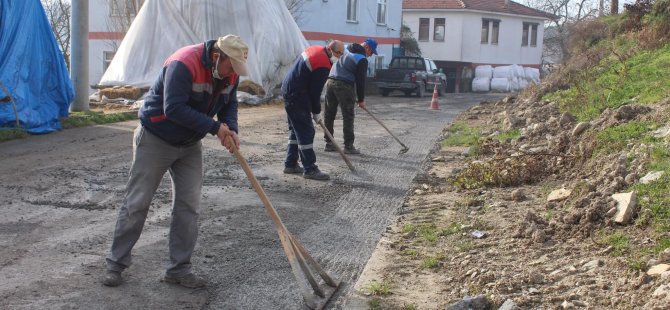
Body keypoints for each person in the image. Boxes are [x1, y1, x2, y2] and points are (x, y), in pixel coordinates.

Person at [102, 35, 249, 288]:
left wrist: (231, 128)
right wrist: (215, 128)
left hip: (189, 145)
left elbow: (229, 104)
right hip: (156, 138)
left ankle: (179, 270)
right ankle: (116, 263)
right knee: (137, 202)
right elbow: (174, 108)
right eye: (230, 67)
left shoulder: (229, 73)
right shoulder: (183, 63)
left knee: (188, 206)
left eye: (236, 70)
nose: (232, 75)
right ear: (217, 57)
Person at [281, 40, 345, 181]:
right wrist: (316, 112)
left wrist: (313, 109)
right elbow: (315, 92)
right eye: (337, 53)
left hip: (289, 90)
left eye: (341, 54)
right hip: (297, 95)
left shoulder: (316, 49)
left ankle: (290, 164)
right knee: (306, 131)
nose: (339, 57)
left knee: (295, 130)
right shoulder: (322, 64)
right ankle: (310, 168)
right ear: (329, 49)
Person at [323, 38, 377, 155]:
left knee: (329, 114)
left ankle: (329, 143)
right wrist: (361, 99)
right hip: (344, 85)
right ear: (367, 48)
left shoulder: (344, 48)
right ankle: (348, 146)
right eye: (372, 52)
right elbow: (360, 81)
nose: (371, 55)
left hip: (330, 82)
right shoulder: (361, 59)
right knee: (348, 116)